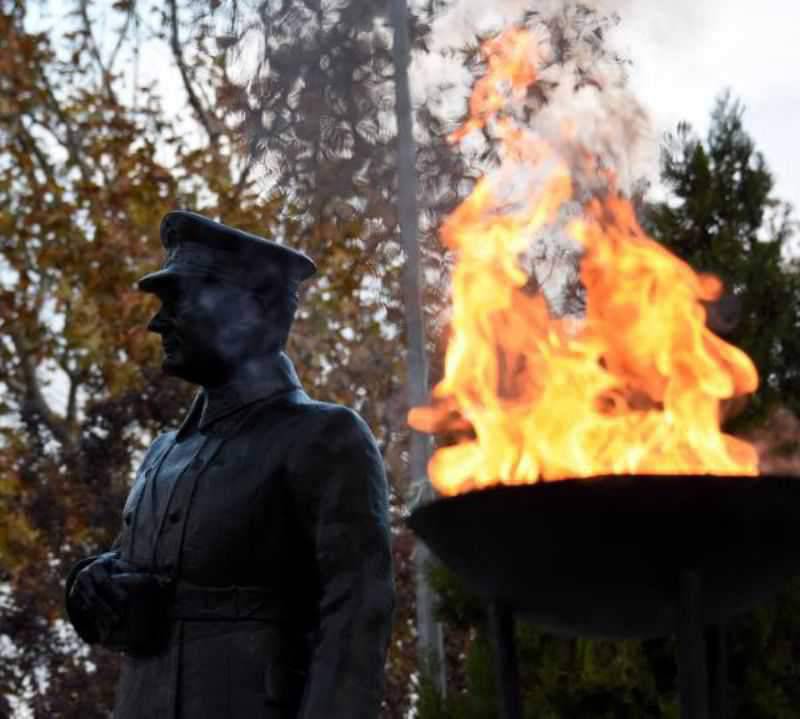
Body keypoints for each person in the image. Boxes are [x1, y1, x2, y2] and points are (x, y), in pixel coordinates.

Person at [64, 210, 395, 718]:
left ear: (248, 311)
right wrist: (93, 586)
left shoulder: (322, 437)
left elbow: (356, 618)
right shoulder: (163, 454)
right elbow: (136, 582)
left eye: (179, 300)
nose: (157, 321)